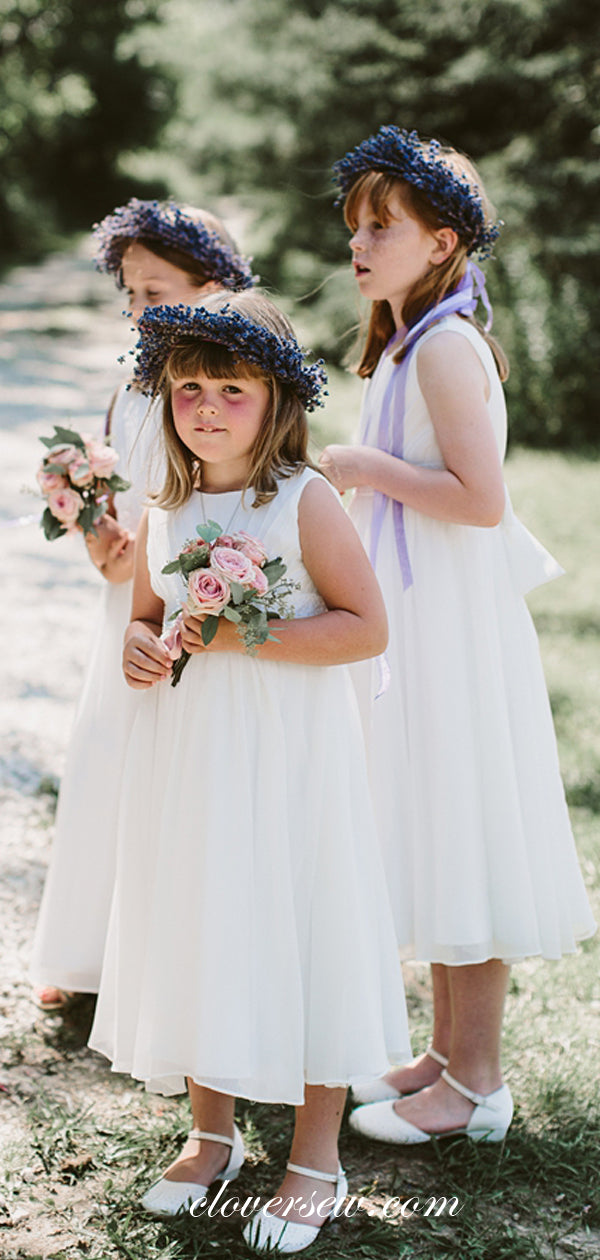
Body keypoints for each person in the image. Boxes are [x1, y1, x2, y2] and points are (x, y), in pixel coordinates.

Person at [87, 289, 411, 1252]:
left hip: (287, 755)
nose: (208, 408)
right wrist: (139, 648)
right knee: (200, 915)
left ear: (277, 398)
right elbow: (145, 616)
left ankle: (316, 1155)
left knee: (300, 923)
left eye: (232, 387)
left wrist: (241, 635)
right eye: (188, 387)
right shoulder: (167, 506)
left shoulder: (304, 500)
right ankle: (212, 1130)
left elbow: (366, 627)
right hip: (191, 758)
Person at [319, 126, 596, 1146]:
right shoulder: (406, 340)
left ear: (441, 242)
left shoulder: (442, 346)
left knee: (463, 830)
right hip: (418, 616)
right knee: (434, 825)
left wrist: (359, 466)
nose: (358, 244)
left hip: (452, 624)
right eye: (353, 226)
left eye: (380, 228)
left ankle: (478, 1083)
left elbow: (481, 500)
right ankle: (442, 1053)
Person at [30, 200, 255, 1011]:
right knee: (106, 762)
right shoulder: (130, 385)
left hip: (188, 609)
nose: (138, 312)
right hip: (123, 608)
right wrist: (95, 532)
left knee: (174, 777)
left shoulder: (222, 394)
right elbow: (120, 500)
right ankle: (87, 951)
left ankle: (166, 968)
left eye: (156, 294)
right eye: (130, 296)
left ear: (215, 286)